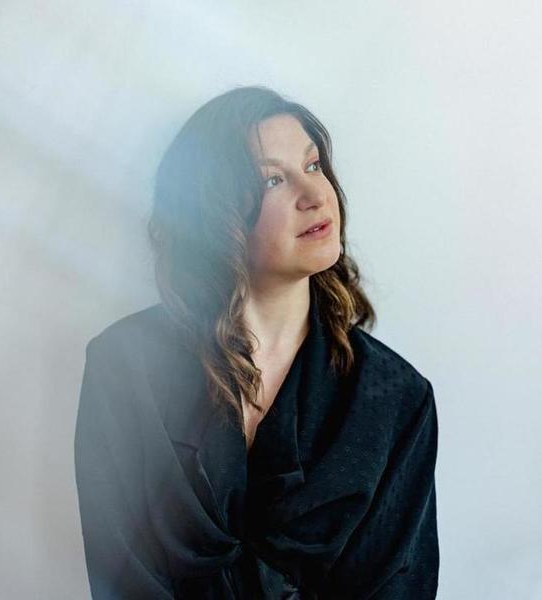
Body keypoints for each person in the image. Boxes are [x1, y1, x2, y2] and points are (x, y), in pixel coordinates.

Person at [74, 85, 440, 599]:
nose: (315, 195)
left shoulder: (396, 400)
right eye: (273, 179)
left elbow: (400, 587)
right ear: (214, 212)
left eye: (313, 165)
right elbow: (122, 577)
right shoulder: (125, 367)